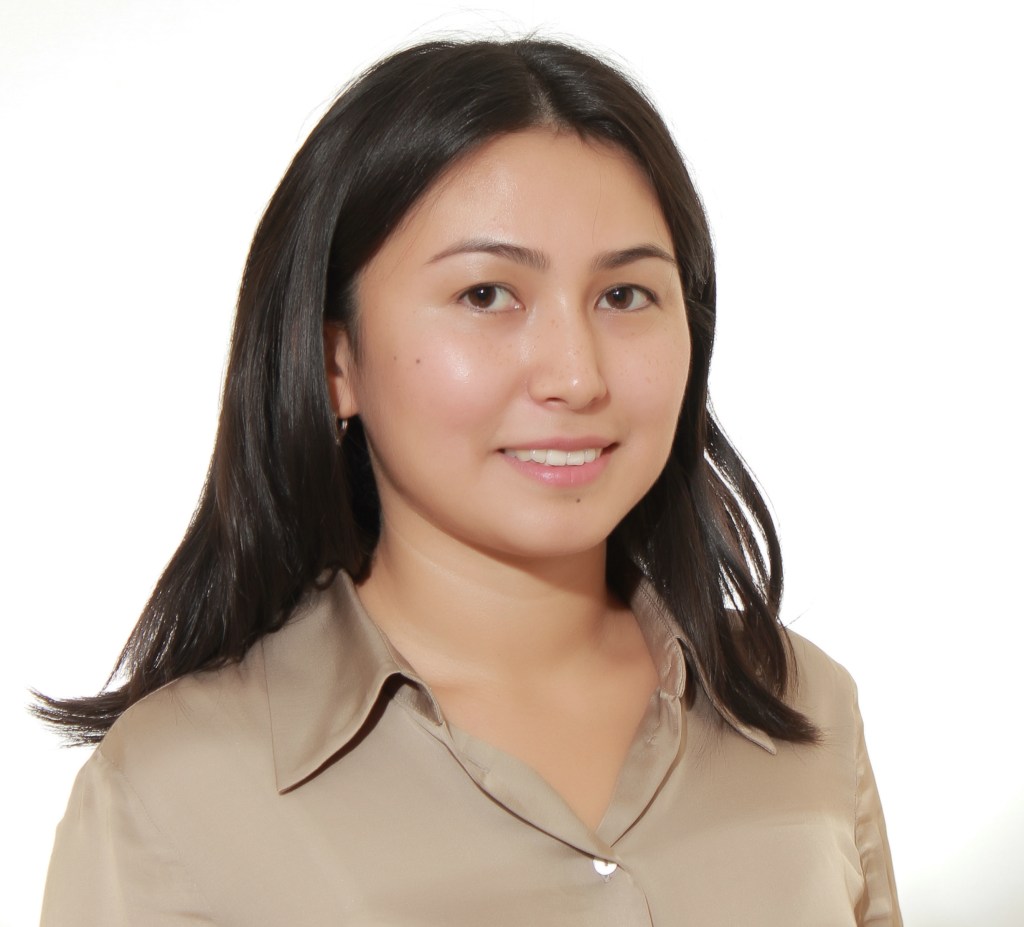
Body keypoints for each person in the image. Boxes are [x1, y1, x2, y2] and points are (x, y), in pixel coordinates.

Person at [37, 37, 901, 926]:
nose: (576, 376)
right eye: (487, 295)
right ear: (335, 361)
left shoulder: (807, 704)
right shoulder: (173, 795)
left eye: (624, 296)